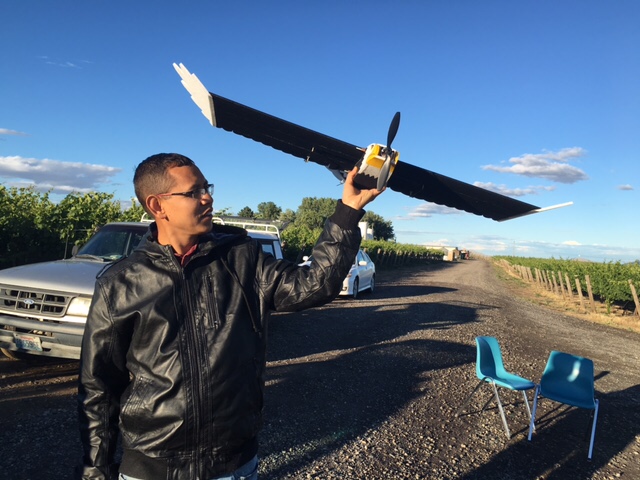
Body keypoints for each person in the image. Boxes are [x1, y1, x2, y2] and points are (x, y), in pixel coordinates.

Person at [76, 153, 384, 480]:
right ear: (157, 205)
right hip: (149, 470)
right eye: (193, 192)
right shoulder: (120, 284)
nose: (207, 197)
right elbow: (98, 387)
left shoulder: (241, 258)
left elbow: (314, 285)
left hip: (233, 466)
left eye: (206, 187)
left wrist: (349, 210)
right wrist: (97, 469)